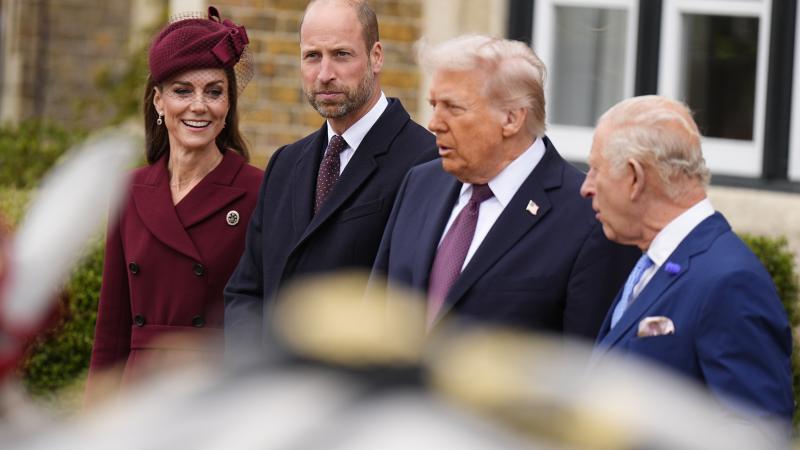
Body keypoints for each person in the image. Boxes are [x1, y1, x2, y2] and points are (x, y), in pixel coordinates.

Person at [371, 34, 639, 337]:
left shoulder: (591, 217)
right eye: (434, 105)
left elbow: (587, 365)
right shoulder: (420, 183)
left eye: (453, 108)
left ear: (511, 119)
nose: (435, 123)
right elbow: (376, 311)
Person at [223, 0, 437, 350]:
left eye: (341, 54)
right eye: (312, 56)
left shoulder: (426, 162)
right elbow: (246, 290)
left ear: (376, 56)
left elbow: (412, 304)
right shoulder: (284, 163)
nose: (324, 73)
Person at [86, 7, 264, 398]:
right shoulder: (129, 191)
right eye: (183, 90)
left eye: (214, 91)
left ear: (228, 104)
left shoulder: (258, 191)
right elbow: (111, 327)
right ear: (158, 101)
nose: (199, 106)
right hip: (138, 394)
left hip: (213, 394)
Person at [583, 95, 793, 421]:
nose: (586, 187)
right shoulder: (653, 261)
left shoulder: (729, 280)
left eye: (596, 170)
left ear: (635, 177)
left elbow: (756, 434)